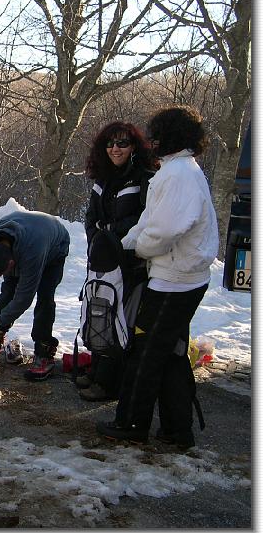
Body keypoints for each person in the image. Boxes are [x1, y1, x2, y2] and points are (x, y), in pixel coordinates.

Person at [96, 106, 218, 450]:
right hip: (180, 275)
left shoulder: (178, 174)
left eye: (156, 135)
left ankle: (132, 423)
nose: (150, 142)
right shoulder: (179, 170)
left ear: (168, 138)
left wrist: (139, 250)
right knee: (172, 353)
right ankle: (177, 430)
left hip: (175, 279)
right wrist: (126, 243)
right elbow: (151, 220)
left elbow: (164, 230)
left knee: (147, 352)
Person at [77, 121, 156, 401]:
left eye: (122, 143)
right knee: (100, 310)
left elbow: (146, 218)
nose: (115, 148)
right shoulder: (103, 178)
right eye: (110, 143)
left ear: (134, 146)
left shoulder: (144, 178)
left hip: (130, 262)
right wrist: (97, 241)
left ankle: (109, 381)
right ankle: (98, 368)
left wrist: (111, 232)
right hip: (102, 259)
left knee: (121, 317)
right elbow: (90, 218)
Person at [0, 210, 70, 379]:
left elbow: (24, 297)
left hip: (52, 245)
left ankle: (44, 353)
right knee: (7, 291)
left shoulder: (33, 251)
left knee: (45, 296)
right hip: (24, 235)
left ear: (11, 263)